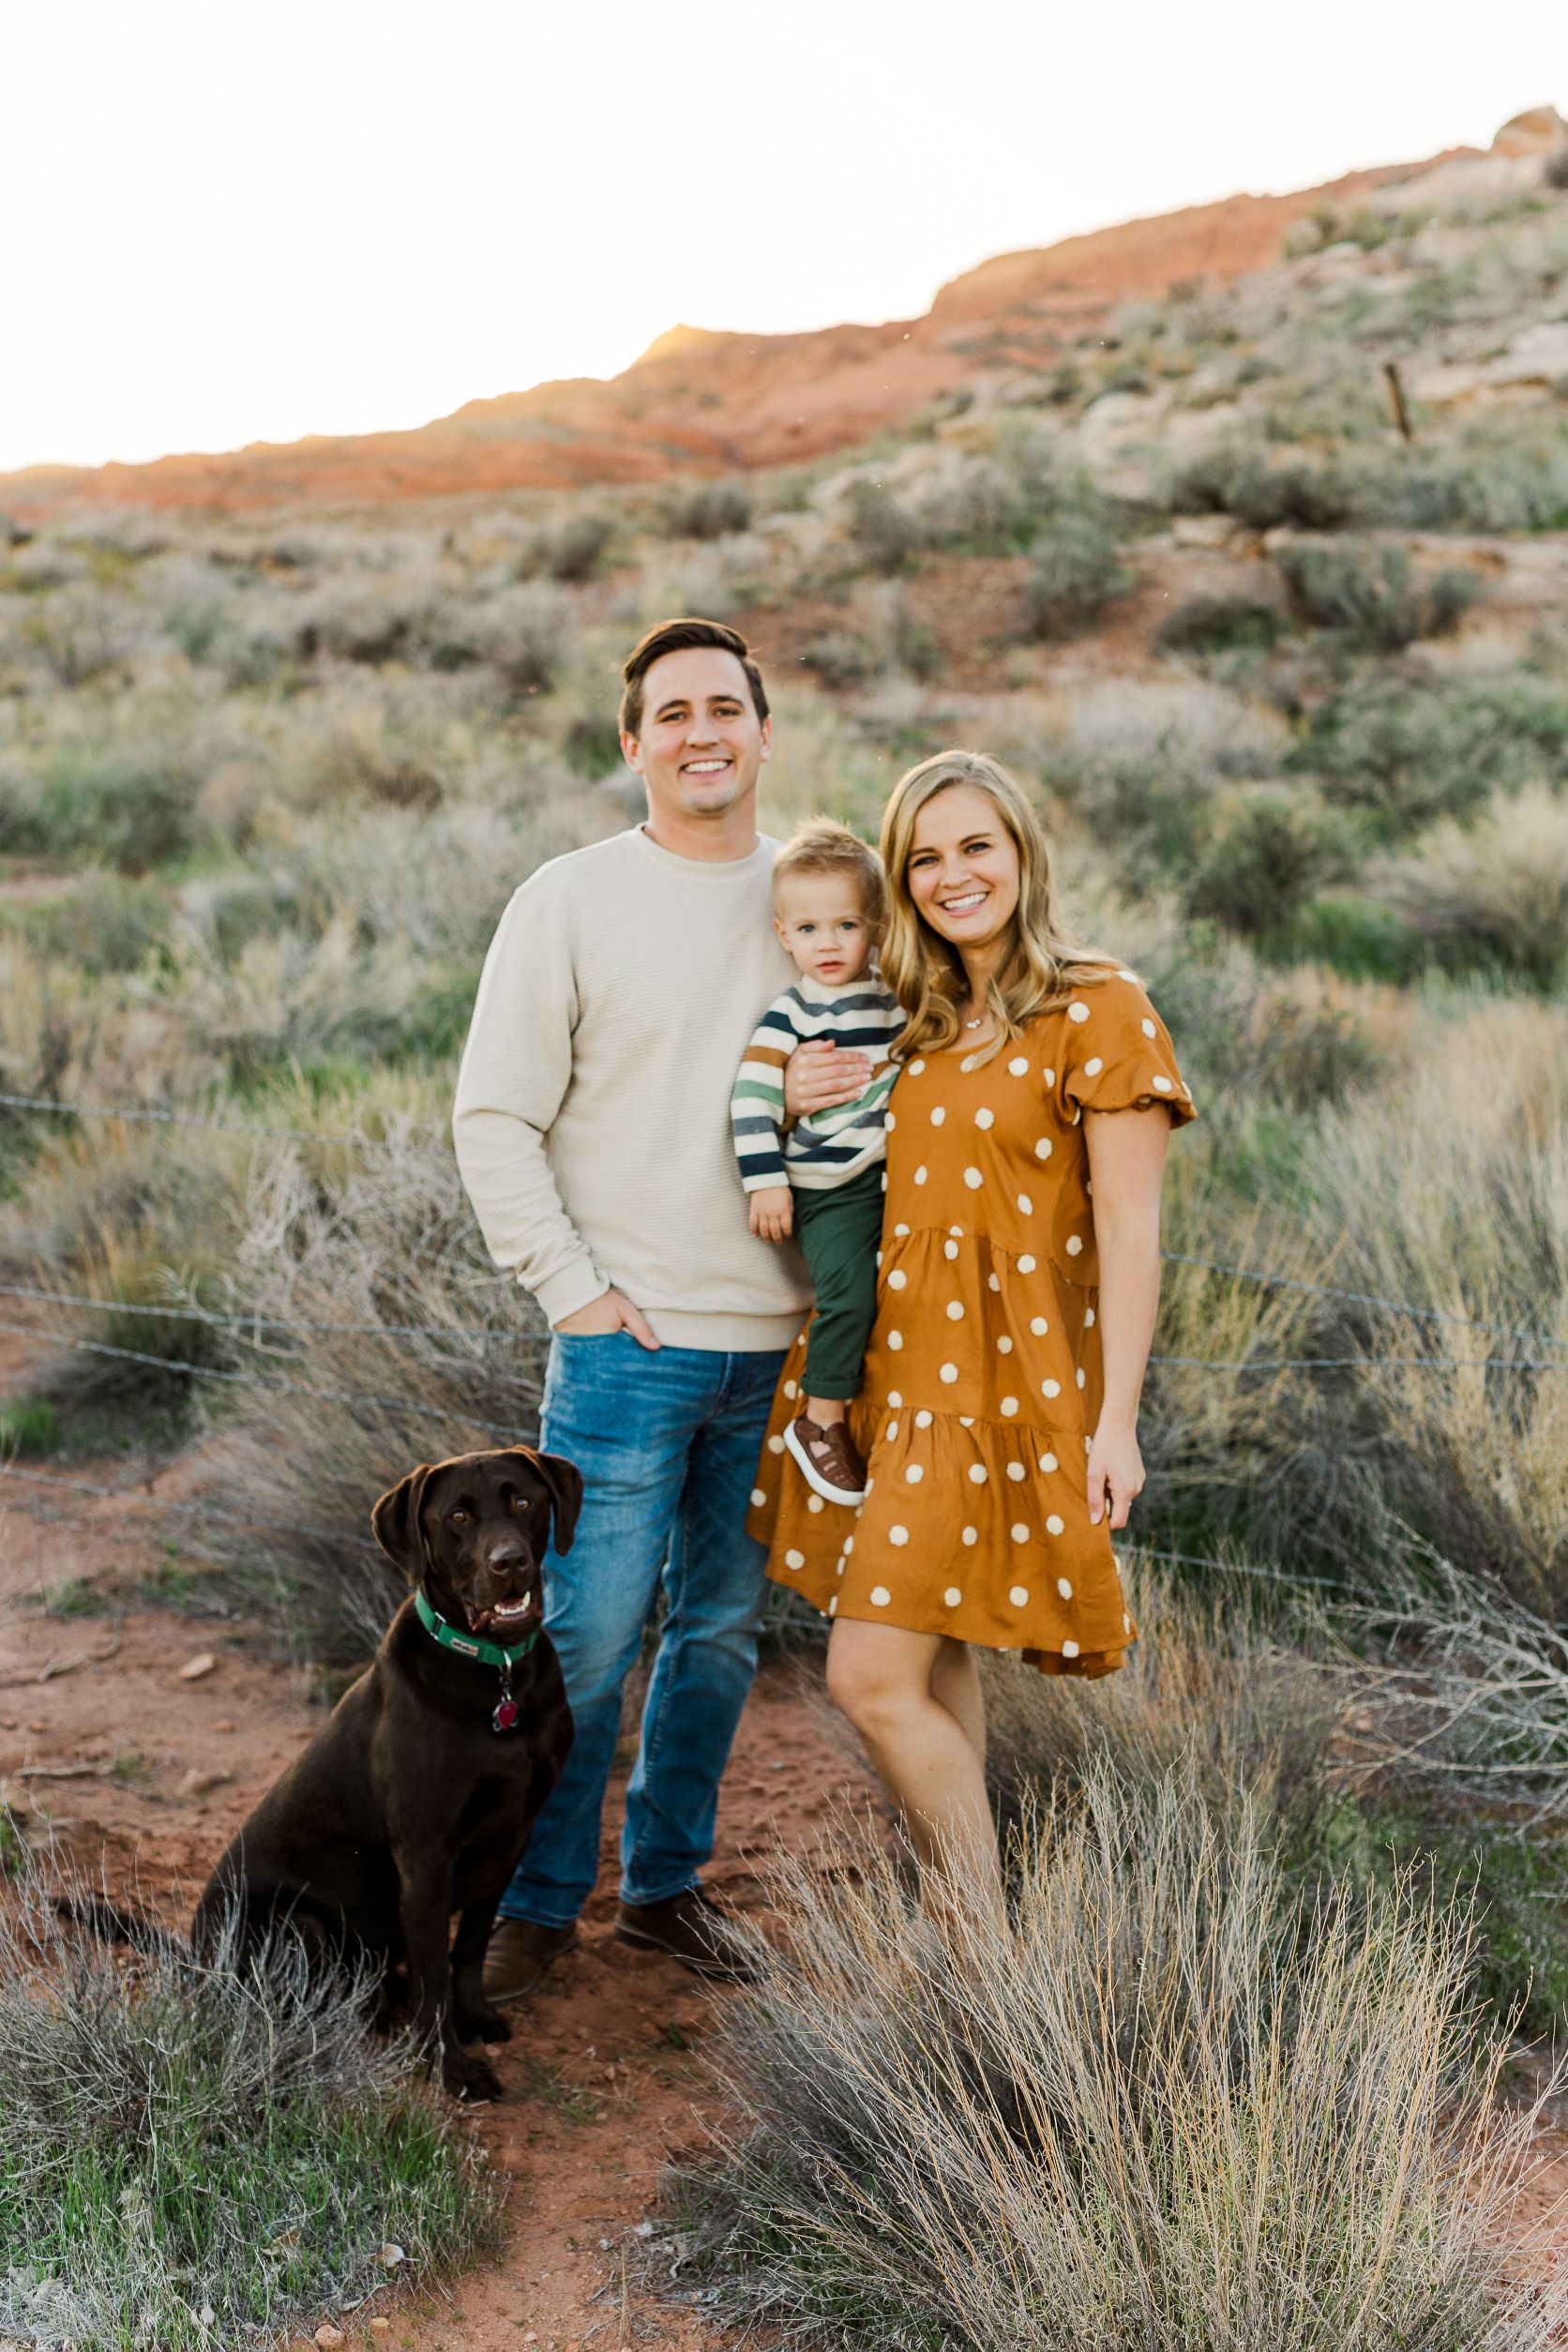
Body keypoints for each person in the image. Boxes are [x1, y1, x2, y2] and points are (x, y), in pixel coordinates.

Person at [746, 749, 1196, 1907]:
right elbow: (831, 1153)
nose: (953, 876)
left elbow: (1131, 1236)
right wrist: (788, 1095)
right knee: (931, 1655)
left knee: (867, 1677)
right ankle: (969, 1942)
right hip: (893, 1377)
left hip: (1002, 1389)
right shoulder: (917, 1014)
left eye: (975, 847)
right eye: (924, 858)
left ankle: (980, 1944)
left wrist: (1116, 1424)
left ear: (1021, 852)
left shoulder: (1100, 1007)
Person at [452, 615, 811, 1999]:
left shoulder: (820, 893)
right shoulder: (572, 899)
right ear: (632, 742)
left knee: (717, 1637)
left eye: (724, 708)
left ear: (764, 733)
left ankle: (663, 1891)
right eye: (673, 714)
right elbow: (494, 1116)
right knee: (585, 1643)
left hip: (778, 1350)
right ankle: (537, 1903)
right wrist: (575, 1291)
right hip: (625, 1351)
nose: (701, 733)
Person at [730, 819, 903, 1505]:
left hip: (889, 1178)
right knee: (848, 1295)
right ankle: (820, 1419)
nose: (827, 944)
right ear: (783, 934)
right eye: (808, 929)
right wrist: (767, 1184)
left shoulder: (893, 997)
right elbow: (751, 1099)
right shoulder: (792, 1013)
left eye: (845, 926)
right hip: (827, 1188)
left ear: (875, 927)